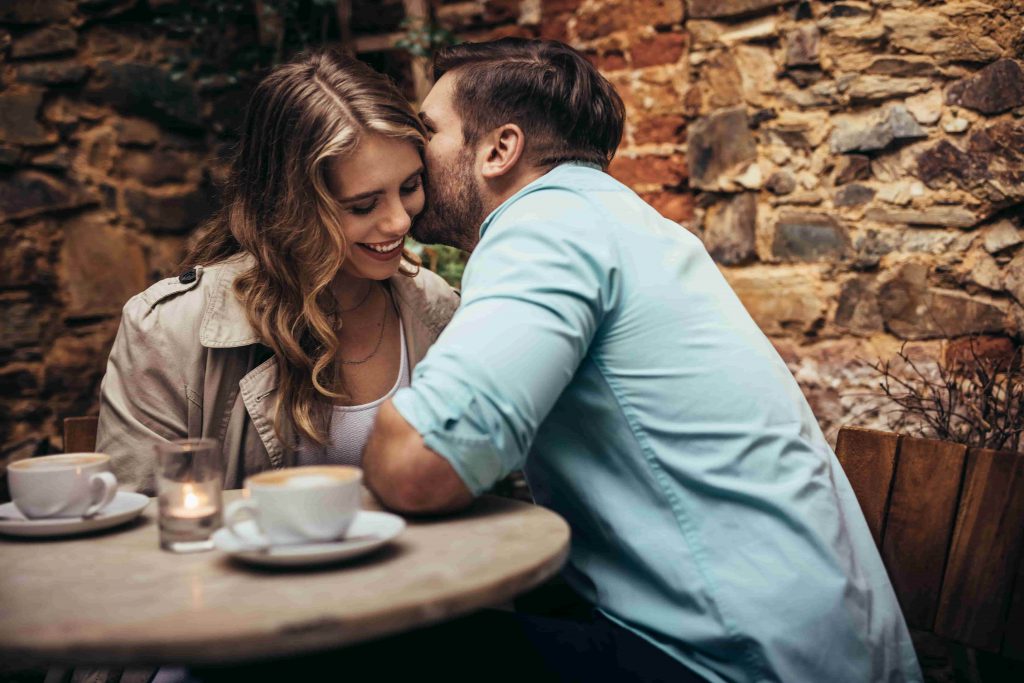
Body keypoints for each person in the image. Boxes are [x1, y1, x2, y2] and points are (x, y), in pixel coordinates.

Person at [360, 38, 923, 682]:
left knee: (379, 650)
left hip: (734, 658)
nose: (413, 149)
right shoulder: (619, 219)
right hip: (817, 643)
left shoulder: (546, 226)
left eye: (427, 130)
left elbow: (419, 465)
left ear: (498, 149)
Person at [96, 48, 459, 495]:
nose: (399, 222)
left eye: (409, 187)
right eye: (362, 205)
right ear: (289, 205)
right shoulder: (169, 332)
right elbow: (139, 531)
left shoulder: (436, 308)